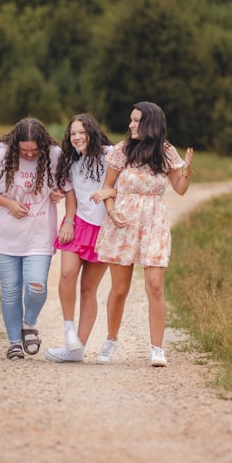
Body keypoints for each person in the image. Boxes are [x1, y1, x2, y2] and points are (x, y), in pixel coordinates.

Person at [94, 101, 194, 367]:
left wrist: (187, 171)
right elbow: (107, 187)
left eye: (136, 121)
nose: (130, 125)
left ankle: (157, 349)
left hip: (154, 223)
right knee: (119, 289)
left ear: (151, 123)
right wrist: (112, 211)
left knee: (155, 287)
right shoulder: (122, 151)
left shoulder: (167, 152)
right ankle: (111, 340)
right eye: (131, 120)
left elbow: (180, 189)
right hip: (123, 221)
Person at [0, 117, 63, 359]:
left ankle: (28, 323)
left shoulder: (54, 154)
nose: (31, 155)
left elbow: (66, 185)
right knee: (11, 291)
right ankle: (14, 342)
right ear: (15, 146)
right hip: (4, 235)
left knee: (37, 285)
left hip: (40, 234)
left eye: (35, 150)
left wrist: (58, 192)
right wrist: (8, 203)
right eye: (25, 151)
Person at [43, 114, 117, 363]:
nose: (76, 137)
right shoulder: (70, 160)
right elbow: (72, 195)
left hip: (105, 229)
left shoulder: (111, 154)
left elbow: (128, 183)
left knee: (88, 289)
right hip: (79, 224)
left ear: (92, 133)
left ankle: (77, 350)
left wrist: (109, 191)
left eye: (81, 132)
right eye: (73, 133)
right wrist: (68, 221)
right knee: (66, 275)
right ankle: (68, 329)